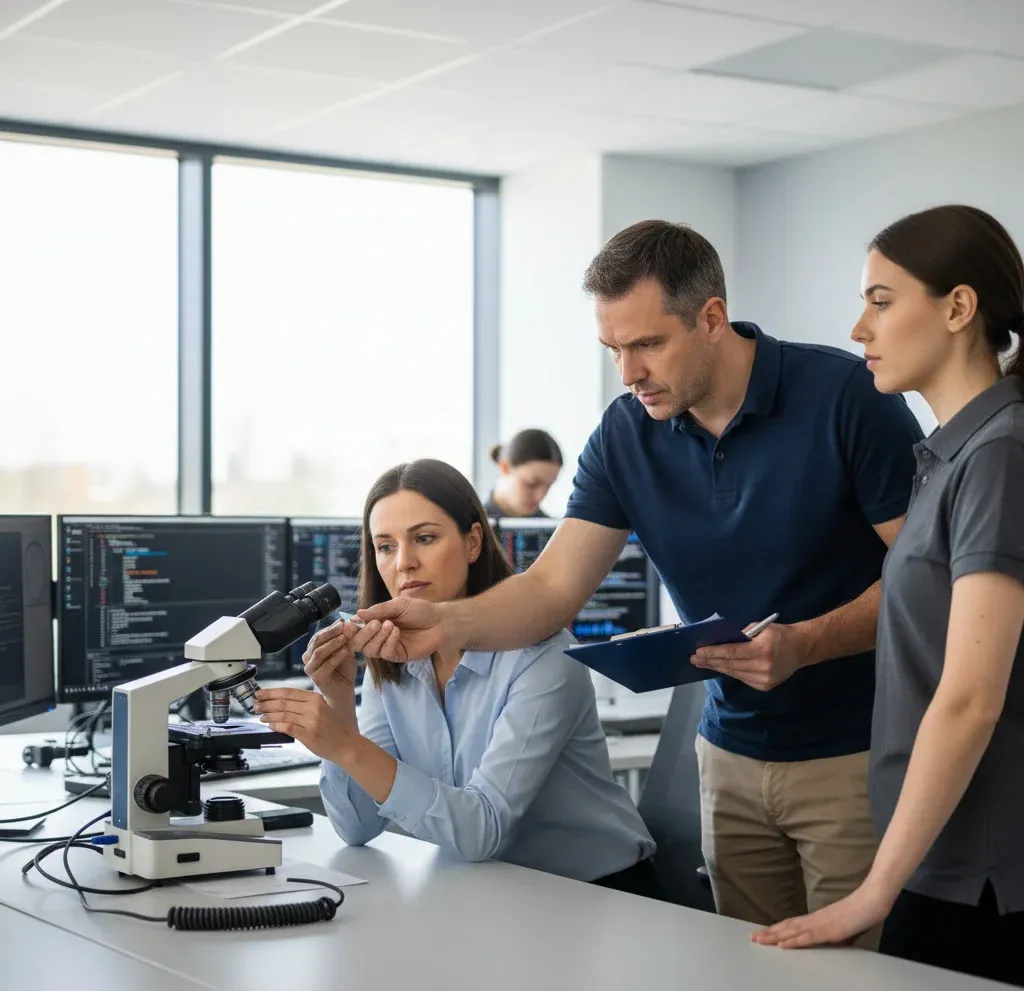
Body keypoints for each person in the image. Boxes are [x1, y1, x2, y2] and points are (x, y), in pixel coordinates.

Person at [346, 221, 924, 942]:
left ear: (711, 317)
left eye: (647, 344)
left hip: (853, 749)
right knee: (756, 979)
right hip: (728, 753)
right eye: (612, 349)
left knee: (857, 980)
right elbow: (551, 591)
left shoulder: (846, 397)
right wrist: (445, 624)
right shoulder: (625, 434)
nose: (628, 373)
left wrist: (806, 643)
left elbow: (926, 581)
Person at [752, 205, 1024, 986]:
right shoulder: (952, 455)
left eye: (881, 301)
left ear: (959, 307)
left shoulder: (998, 455)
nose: (858, 328)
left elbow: (970, 699)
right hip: (937, 861)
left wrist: (872, 894)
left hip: (976, 877)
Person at [254, 458, 656, 892]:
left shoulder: (543, 655)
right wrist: (339, 707)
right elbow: (358, 827)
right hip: (491, 891)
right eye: (385, 546)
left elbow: (482, 828)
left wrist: (345, 745)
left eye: (424, 538)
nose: (404, 563)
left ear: (473, 542)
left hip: (600, 894)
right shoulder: (390, 660)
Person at [483, 428, 563, 518]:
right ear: (505, 467)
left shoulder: (554, 526)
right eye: (532, 484)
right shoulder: (473, 523)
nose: (540, 497)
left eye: (548, 486)